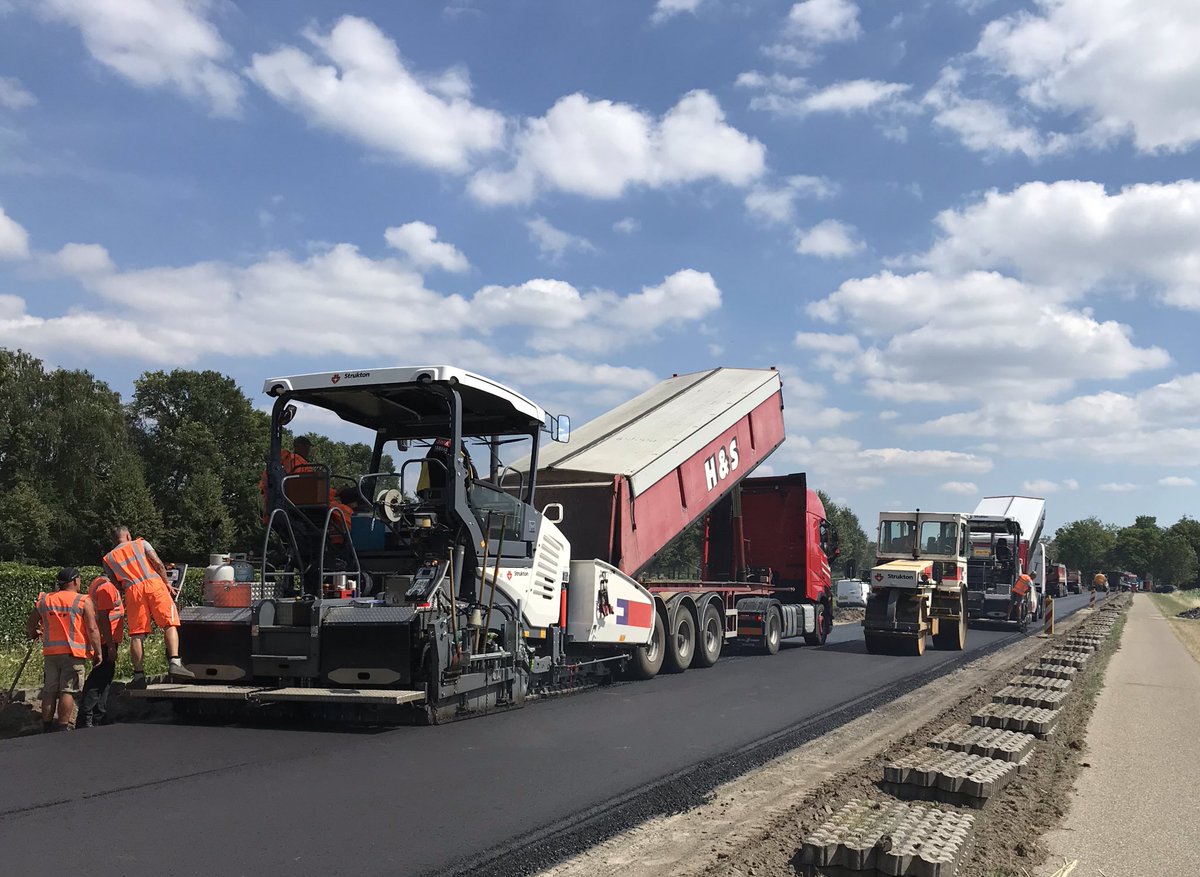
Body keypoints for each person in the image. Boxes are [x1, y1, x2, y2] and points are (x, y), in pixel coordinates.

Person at [102, 526, 194, 683]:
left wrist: (128, 590)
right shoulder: (140, 544)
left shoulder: (108, 558)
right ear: (128, 535)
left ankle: (138, 676)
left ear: (114, 539)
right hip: (154, 585)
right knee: (169, 623)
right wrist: (167, 583)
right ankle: (174, 662)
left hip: (132, 591)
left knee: (137, 634)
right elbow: (157, 563)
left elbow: (116, 584)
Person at [26, 568, 103, 732]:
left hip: (51, 654)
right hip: (72, 654)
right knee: (68, 691)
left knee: (50, 690)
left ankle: (46, 726)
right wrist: (98, 652)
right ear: (75, 581)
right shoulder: (82, 601)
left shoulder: (45, 599)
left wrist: (35, 633)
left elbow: (31, 624)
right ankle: (62, 728)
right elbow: (92, 629)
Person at [78, 575, 124, 728]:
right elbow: (104, 617)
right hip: (106, 641)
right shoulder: (106, 587)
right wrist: (110, 646)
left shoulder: (102, 584)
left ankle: (99, 717)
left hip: (107, 640)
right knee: (98, 679)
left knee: (105, 678)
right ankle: (86, 719)